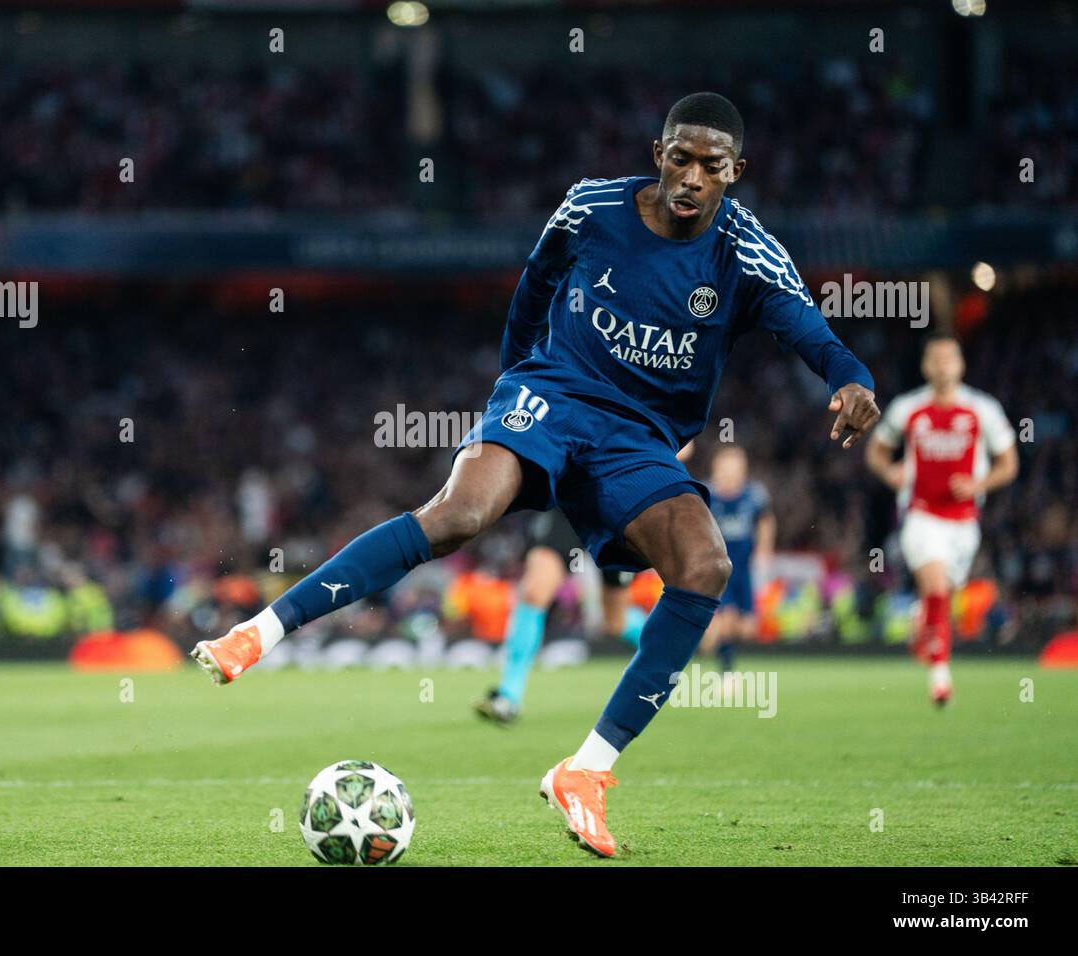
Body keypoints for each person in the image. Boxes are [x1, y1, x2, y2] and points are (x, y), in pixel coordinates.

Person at [194, 92, 880, 857]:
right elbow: (534, 287)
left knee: (706, 565)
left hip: (639, 439)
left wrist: (850, 380)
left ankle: (585, 770)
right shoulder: (590, 206)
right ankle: (259, 632)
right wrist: (515, 385)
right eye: (679, 158)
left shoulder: (745, 249)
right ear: (658, 155)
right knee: (458, 515)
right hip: (550, 394)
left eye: (710, 166)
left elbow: (811, 329)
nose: (691, 176)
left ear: (735, 172)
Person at [865, 335, 1017, 706]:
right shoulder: (907, 408)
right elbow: (876, 452)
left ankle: (924, 626)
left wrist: (978, 484)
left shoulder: (983, 409)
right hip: (920, 515)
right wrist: (890, 474)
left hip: (964, 522)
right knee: (935, 586)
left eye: (950, 358)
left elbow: (1009, 464)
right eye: (935, 359)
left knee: (942, 597)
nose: (943, 365)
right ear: (925, 366)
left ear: (961, 365)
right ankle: (941, 677)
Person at [473, 510, 646, 726]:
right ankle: (508, 696)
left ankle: (668, 652)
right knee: (534, 593)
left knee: (614, 622)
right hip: (571, 507)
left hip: (619, 512)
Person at [697, 445, 774, 678]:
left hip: (744, 570)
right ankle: (726, 673)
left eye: (736, 469)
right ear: (716, 469)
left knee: (748, 627)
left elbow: (766, 521)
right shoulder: (707, 495)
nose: (731, 475)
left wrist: (764, 549)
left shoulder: (754, 495)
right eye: (727, 469)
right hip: (719, 570)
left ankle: (702, 640)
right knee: (727, 618)